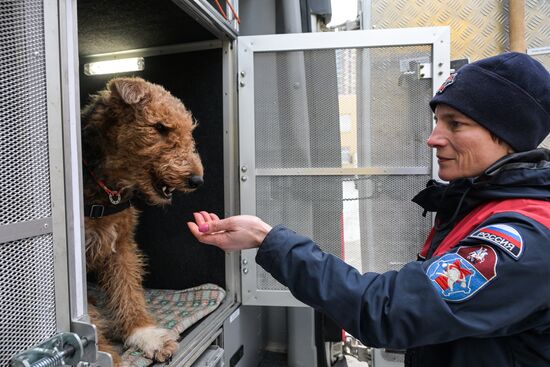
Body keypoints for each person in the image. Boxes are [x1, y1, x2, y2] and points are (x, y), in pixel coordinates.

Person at [188, 52, 550, 367]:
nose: (433, 137)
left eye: (455, 123)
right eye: (438, 121)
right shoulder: (480, 203)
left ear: (507, 136)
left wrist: (266, 239)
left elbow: (385, 311)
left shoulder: (524, 238)